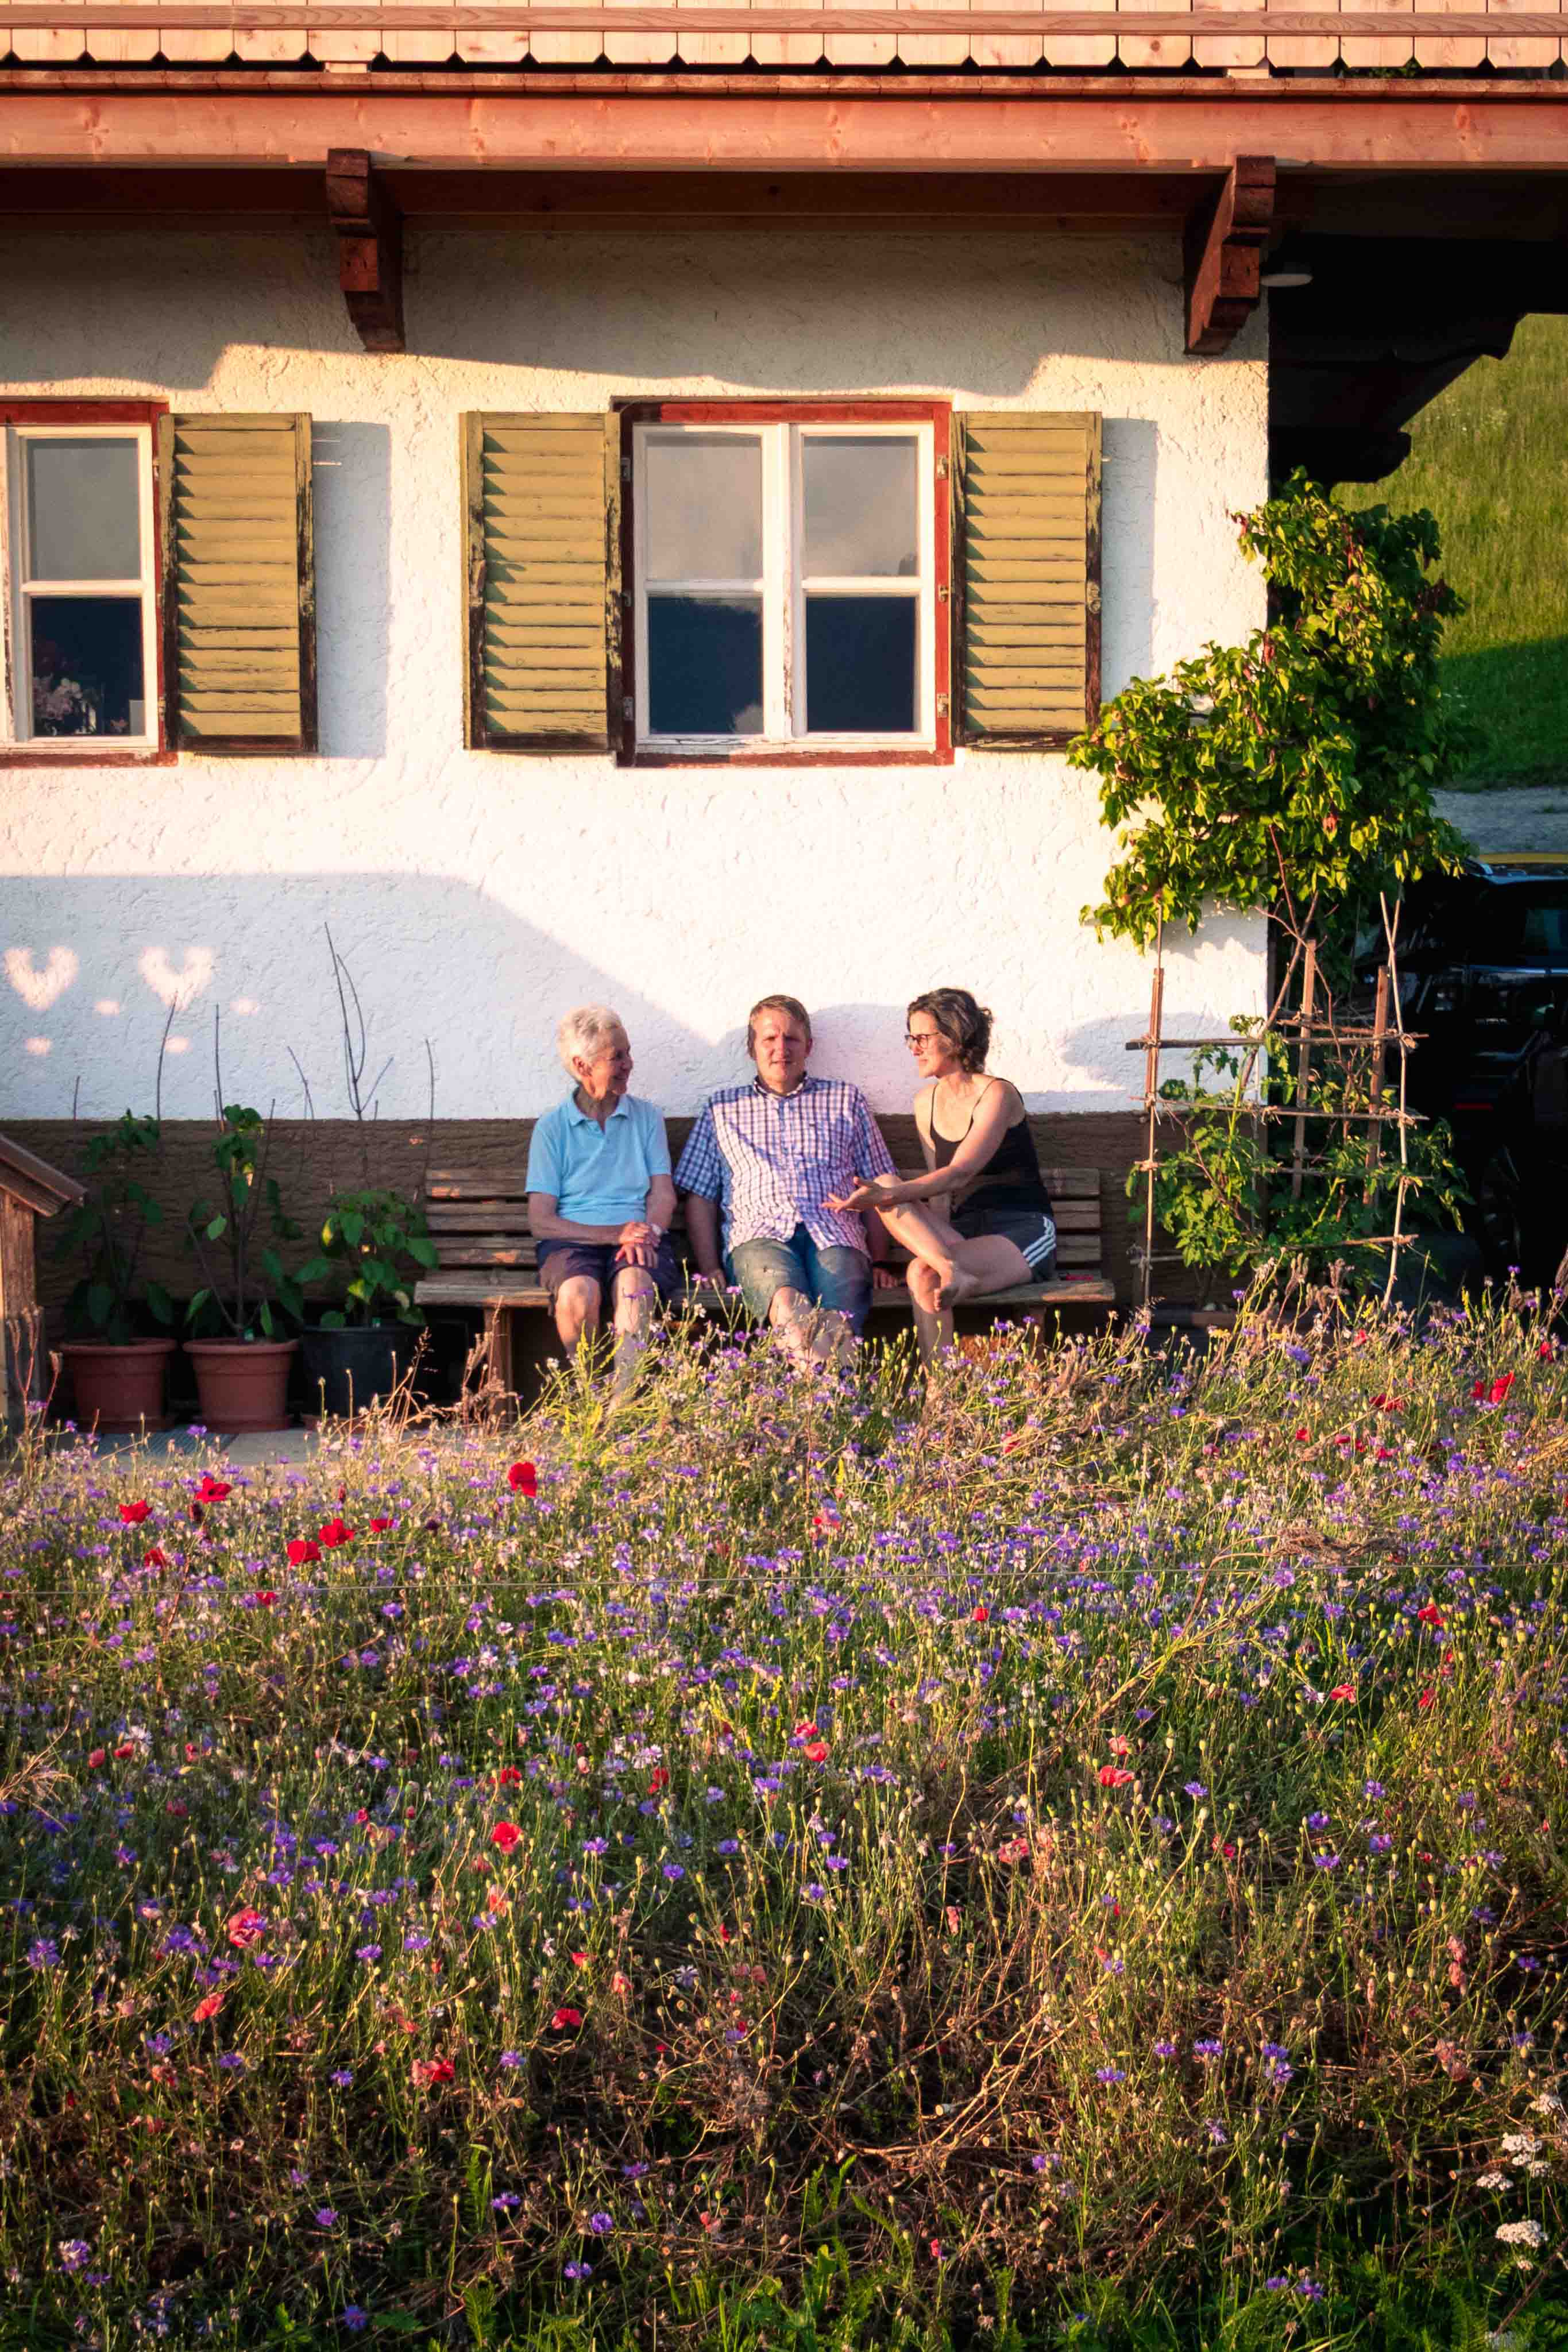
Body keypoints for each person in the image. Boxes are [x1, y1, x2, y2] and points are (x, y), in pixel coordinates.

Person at [827, 987, 1056, 1363]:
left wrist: (889, 1199)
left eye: (922, 1037)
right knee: (909, 1237)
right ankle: (942, 1398)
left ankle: (949, 1270)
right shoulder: (925, 1102)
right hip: (964, 1233)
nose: (913, 1048)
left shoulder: (998, 1094)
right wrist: (900, 1206)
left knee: (902, 1223)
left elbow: (958, 1173)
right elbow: (940, 1196)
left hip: (1023, 1230)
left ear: (953, 1035)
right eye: (910, 1038)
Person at [674, 994, 899, 1366]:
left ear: (808, 1046)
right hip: (758, 1237)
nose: (782, 1048)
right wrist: (709, 1264)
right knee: (786, 1303)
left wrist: (880, 1260)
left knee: (837, 1314)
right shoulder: (722, 1109)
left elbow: (878, 1184)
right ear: (752, 1048)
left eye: (792, 1039)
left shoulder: (845, 1099)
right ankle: (836, 1405)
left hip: (836, 1230)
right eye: (770, 1039)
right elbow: (700, 1195)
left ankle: (815, 1409)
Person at [526, 1006, 678, 1392]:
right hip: (574, 1241)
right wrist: (617, 1234)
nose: (629, 1064)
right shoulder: (552, 1129)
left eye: (627, 1052)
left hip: (639, 1238)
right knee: (578, 1294)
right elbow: (541, 1220)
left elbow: (663, 1193)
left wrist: (649, 1232)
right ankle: (589, 1400)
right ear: (582, 1065)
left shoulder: (647, 1118)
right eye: (617, 1057)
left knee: (635, 1286)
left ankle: (622, 1404)